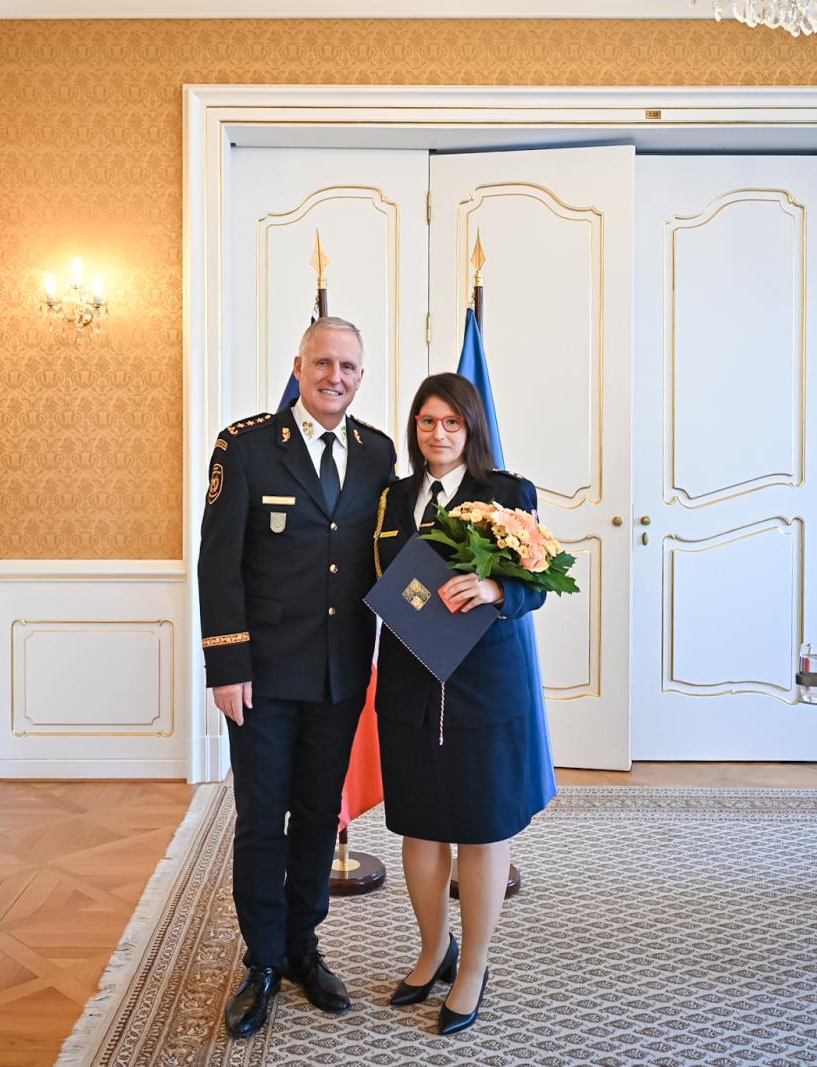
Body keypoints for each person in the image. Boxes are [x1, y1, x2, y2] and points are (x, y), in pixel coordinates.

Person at [197, 316, 398, 1039]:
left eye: (347, 366)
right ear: (298, 366)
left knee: (319, 815)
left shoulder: (378, 452)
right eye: (322, 363)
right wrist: (227, 665)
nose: (334, 377)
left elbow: (385, 552)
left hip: (340, 673)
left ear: (360, 376)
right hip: (263, 677)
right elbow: (218, 563)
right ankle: (261, 962)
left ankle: (303, 947)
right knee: (262, 818)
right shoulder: (246, 446)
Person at [372, 372, 556, 1036]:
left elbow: (537, 585)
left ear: (472, 426)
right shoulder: (391, 498)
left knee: (481, 828)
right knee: (419, 826)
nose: (439, 433)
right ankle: (433, 950)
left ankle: (473, 966)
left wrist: (497, 591)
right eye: (427, 421)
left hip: (486, 686)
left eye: (452, 421)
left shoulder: (508, 493)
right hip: (408, 682)